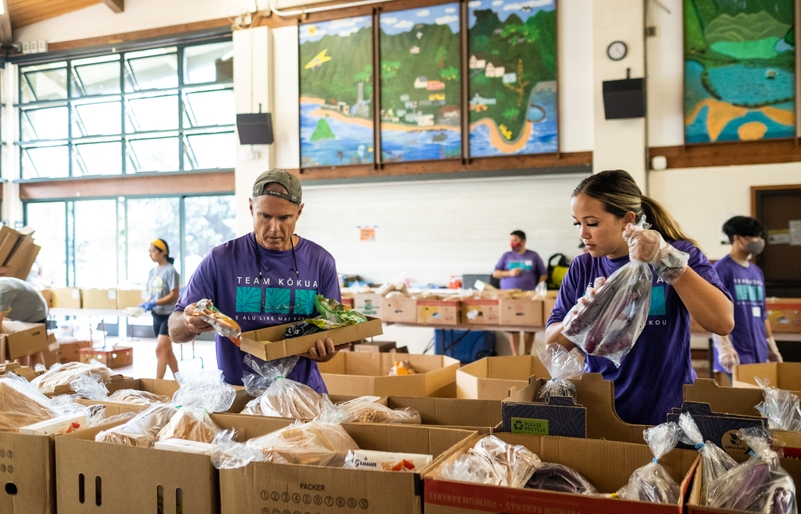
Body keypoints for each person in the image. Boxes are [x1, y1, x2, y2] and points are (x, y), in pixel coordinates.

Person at [545, 169, 734, 425]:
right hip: (602, 411)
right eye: (577, 223)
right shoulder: (583, 267)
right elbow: (554, 346)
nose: (582, 234)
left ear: (627, 219)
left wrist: (667, 260)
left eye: (592, 223)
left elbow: (722, 322)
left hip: (667, 412)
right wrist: (579, 318)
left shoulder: (679, 253)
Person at [168, 169, 346, 390]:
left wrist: (326, 352)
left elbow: (335, 332)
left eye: (284, 218)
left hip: (303, 395)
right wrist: (188, 322)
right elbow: (175, 332)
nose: (274, 228)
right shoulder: (221, 260)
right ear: (251, 207)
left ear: (299, 213)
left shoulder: (320, 261)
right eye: (265, 216)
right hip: (240, 396)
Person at [712, 216, 782, 383]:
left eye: (760, 236)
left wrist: (771, 346)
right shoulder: (722, 269)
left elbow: (763, 314)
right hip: (736, 351)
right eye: (753, 236)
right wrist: (725, 348)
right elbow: (714, 312)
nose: (758, 241)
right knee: (739, 404)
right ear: (737, 237)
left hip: (759, 350)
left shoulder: (756, 272)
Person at [492, 230, 547, 356]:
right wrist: (509, 273)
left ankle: (527, 354)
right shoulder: (506, 256)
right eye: (511, 240)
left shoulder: (533, 256)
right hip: (510, 296)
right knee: (513, 326)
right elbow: (496, 273)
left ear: (523, 241)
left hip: (528, 296)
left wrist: (540, 285)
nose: (512, 243)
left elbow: (543, 274)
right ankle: (515, 356)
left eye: (515, 240)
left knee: (529, 326)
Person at [141, 239, 180, 379]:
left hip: (169, 315)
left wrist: (155, 302)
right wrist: (147, 303)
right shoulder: (152, 272)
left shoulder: (171, 271)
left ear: (163, 252)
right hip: (156, 314)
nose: (150, 254)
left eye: (153, 251)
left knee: (160, 349)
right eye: (149, 251)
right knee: (167, 351)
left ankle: (158, 383)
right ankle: (180, 381)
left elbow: (174, 295)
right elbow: (152, 293)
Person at [0, 277, 48, 367]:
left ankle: (39, 377)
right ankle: (23, 377)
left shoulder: (3, 292)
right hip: (19, 311)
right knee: (20, 351)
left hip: (35, 311)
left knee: (35, 351)